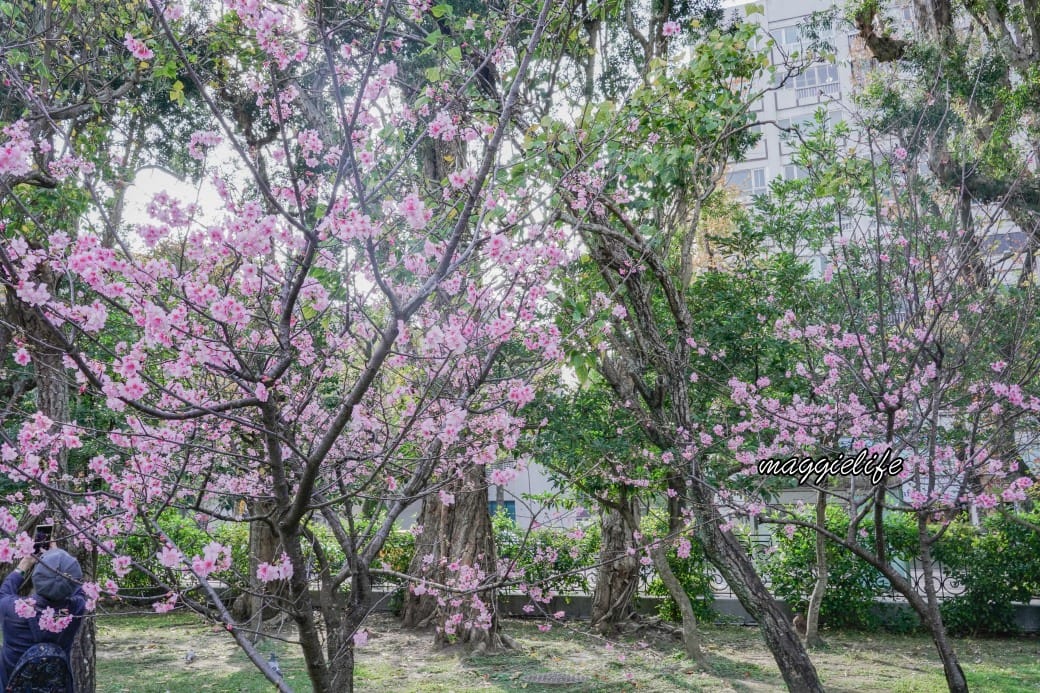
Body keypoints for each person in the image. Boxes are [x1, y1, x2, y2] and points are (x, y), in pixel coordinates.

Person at [0, 548, 86, 690]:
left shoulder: (14, 609)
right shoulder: (73, 611)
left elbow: (4, 592)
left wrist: (24, 564)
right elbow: (80, 589)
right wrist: (60, 557)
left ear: (36, 577)